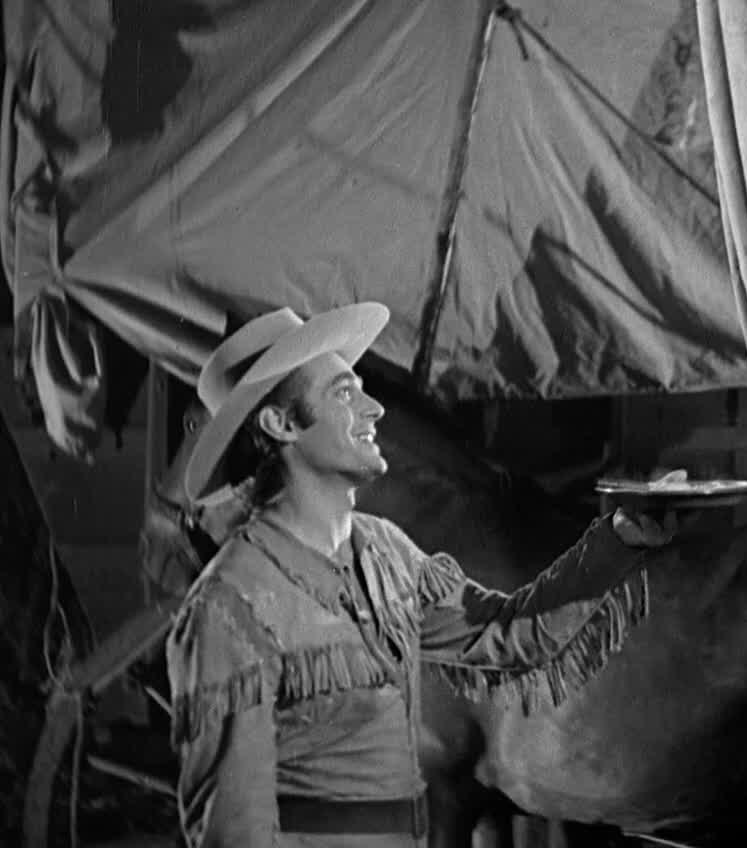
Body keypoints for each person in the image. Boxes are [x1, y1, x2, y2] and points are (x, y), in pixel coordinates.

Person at [165, 302, 672, 846]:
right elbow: (230, 826)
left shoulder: (386, 554)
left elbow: (504, 635)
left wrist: (614, 546)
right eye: (343, 393)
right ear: (281, 424)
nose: (374, 409)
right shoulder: (229, 608)